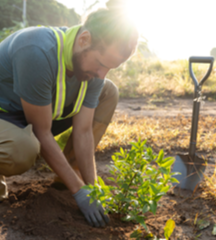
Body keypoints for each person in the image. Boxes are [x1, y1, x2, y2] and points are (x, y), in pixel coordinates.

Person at [0, 7, 138, 228]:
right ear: (84, 39)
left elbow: (83, 131)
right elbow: (41, 132)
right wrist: (79, 192)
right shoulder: (37, 51)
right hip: (5, 115)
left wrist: (91, 189)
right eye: (101, 64)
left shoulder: (92, 69)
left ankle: (67, 178)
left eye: (110, 68)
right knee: (21, 149)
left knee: (109, 91)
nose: (102, 75)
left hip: (30, 112)